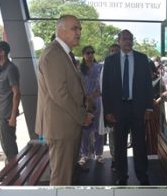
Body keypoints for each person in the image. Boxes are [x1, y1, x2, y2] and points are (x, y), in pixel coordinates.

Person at [36, 15, 93, 185]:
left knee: (66, 176)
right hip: (61, 128)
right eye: (75, 28)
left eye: (80, 29)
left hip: (66, 125)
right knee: (61, 179)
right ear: (60, 30)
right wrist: (82, 116)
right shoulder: (53, 54)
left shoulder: (63, 53)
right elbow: (59, 94)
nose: (79, 32)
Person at [102, 29, 153, 185]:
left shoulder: (142, 59)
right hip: (118, 109)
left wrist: (149, 108)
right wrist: (108, 111)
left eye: (130, 39)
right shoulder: (110, 61)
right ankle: (122, 176)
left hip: (138, 108)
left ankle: (142, 175)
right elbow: (106, 88)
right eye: (125, 39)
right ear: (119, 41)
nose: (128, 41)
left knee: (140, 144)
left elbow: (148, 86)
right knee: (119, 144)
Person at [0, 40, 21, 163]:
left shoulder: (11, 69)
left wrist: (13, 116)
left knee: (9, 146)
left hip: (7, 115)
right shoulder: (0, 69)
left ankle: (15, 173)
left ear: (2, 52)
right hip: (0, 112)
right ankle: (11, 170)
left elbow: (17, 93)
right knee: (4, 143)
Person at [78, 45, 108, 167]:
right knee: (85, 129)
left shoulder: (100, 67)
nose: (90, 55)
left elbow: (105, 86)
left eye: (92, 53)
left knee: (98, 129)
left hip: (97, 101)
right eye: (87, 53)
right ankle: (84, 154)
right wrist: (85, 98)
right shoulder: (79, 69)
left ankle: (99, 153)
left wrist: (94, 95)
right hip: (84, 102)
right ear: (83, 55)